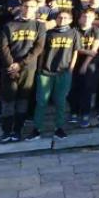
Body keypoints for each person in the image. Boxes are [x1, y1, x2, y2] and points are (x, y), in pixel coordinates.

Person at [0, 0, 45, 142]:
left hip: (27, 68)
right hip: (9, 68)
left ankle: (17, 130)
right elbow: (3, 47)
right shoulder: (9, 25)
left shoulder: (39, 26)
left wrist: (21, 64)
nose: (28, 9)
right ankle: (6, 131)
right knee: (8, 99)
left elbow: (38, 48)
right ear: (21, 7)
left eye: (32, 7)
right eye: (26, 6)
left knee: (23, 99)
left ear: (36, 8)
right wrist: (11, 64)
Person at [29, 9, 78, 141]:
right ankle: (37, 129)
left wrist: (71, 68)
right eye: (60, 17)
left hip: (63, 72)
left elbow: (75, 52)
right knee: (41, 101)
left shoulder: (74, 33)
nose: (62, 20)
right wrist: (40, 69)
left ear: (71, 20)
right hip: (46, 72)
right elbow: (42, 52)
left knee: (60, 102)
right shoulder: (48, 33)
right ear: (56, 19)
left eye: (65, 18)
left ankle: (59, 128)